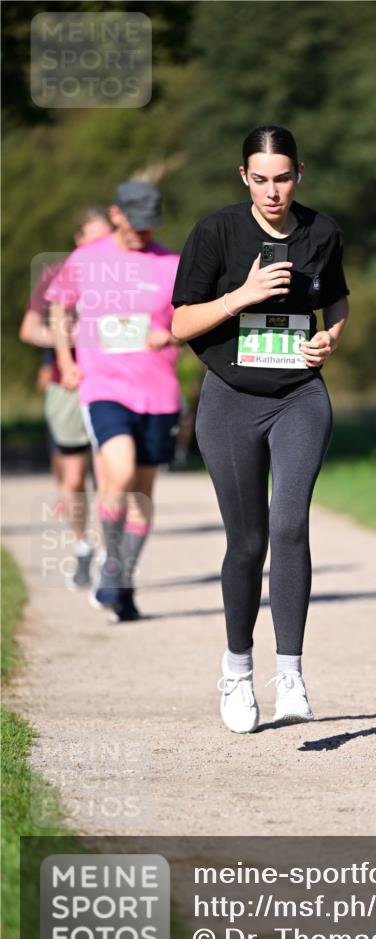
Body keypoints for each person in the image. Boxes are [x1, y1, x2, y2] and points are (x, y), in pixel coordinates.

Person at [171, 124, 350, 733]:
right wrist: (241, 295)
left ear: (300, 174)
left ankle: (292, 674)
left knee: (289, 523)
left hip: (300, 395)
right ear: (243, 177)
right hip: (229, 401)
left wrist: (329, 338)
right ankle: (237, 671)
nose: (272, 192)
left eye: (283, 178)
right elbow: (179, 324)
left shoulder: (321, 231)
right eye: (260, 179)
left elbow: (339, 302)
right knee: (247, 545)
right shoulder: (216, 232)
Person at [46, 181, 182, 621]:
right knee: (118, 471)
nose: (143, 233)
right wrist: (65, 360)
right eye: (136, 223)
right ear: (116, 213)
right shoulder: (86, 259)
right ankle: (111, 565)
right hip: (104, 386)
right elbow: (59, 307)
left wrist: (172, 333)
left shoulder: (171, 264)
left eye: (150, 226)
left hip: (158, 392)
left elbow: (192, 319)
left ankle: (123, 579)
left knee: (141, 493)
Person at [19, 208, 112, 587]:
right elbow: (30, 330)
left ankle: (109, 555)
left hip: (111, 382)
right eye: (95, 239)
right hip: (68, 383)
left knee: (110, 474)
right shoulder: (56, 275)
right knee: (73, 479)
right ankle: (81, 546)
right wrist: (68, 338)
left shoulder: (122, 276)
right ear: (78, 241)